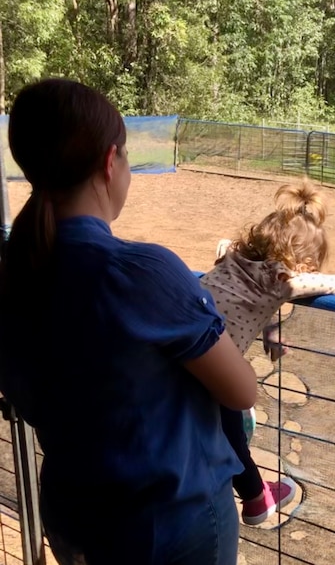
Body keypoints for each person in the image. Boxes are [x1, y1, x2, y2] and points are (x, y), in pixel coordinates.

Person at [0, 78, 259, 564]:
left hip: (74, 516)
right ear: (108, 163)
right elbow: (242, 391)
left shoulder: (16, 275)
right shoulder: (143, 272)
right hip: (171, 525)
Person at [200, 181, 335, 526]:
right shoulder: (283, 278)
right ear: (303, 264)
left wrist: (271, 331)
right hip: (212, 365)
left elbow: (246, 300)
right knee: (228, 424)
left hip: (184, 346)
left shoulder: (232, 255)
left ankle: (245, 486)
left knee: (219, 422)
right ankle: (257, 498)